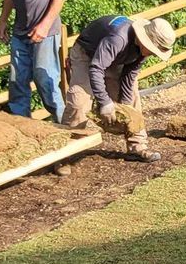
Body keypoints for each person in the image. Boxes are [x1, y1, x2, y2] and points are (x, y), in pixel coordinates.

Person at [64, 14, 175, 162]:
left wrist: (126, 108)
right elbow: (96, 68)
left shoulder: (143, 49)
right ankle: (65, 155)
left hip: (114, 58)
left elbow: (129, 76)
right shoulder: (118, 39)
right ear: (145, 40)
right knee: (79, 100)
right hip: (87, 54)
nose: (154, 54)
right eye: (153, 50)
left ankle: (138, 146)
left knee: (133, 97)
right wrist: (105, 102)